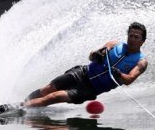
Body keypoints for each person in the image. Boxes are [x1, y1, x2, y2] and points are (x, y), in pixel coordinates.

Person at [20, 22, 148, 108]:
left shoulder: (141, 61)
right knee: (47, 89)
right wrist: (97, 54)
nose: (132, 39)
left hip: (89, 89)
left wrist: (119, 74)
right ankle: (20, 104)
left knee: (55, 96)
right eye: (130, 36)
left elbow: (129, 80)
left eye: (136, 37)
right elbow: (92, 56)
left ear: (142, 41)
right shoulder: (114, 44)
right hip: (82, 73)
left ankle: (17, 108)